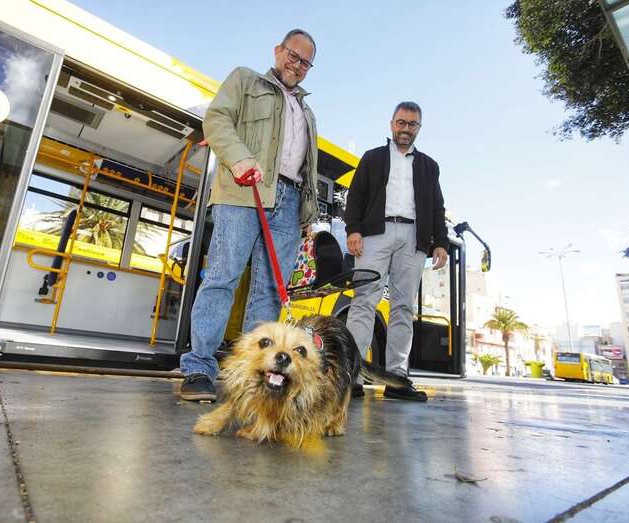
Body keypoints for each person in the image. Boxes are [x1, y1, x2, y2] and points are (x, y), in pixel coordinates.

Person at [179, 29, 320, 401]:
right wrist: (240, 159)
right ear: (278, 50)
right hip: (245, 191)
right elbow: (216, 119)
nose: (297, 65)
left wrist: (307, 215)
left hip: (289, 202)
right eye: (293, 55)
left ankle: (253, 377)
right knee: (222, 277)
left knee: (270, 292)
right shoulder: (245, 80)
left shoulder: (308, 112)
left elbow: (307, 168)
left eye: (306, 63)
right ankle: (198, 367)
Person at [343, 101, 449, 402]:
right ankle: (350, 377)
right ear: (392, 124)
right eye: (401, 122)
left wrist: (440, 242)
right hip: (375, 234)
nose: (406, 128)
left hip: (414, 237)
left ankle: (398, 380)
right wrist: (353, 230)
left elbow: (437, 206)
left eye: (412, 124)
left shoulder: (429, 166)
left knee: (403, 307)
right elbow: (356, 195)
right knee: (364, 301)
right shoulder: (372, 157)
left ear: (419, 128)